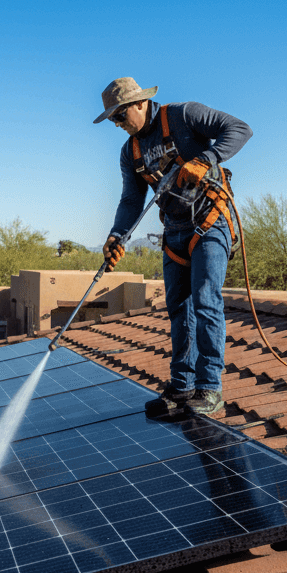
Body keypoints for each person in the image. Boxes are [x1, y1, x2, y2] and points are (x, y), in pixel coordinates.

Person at [94, 77, 252, 418]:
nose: (118, 125)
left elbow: (240, 129)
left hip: (211, 222)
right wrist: (116, 234)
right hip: (175, 231)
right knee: (179, 308)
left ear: (139, 103)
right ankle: (183, 386)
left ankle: (210, 389)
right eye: (113, 121)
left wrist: (205, 159)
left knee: (206, 299)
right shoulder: (130, 151)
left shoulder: (183, 115)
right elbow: (131, 199)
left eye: (120, 117)